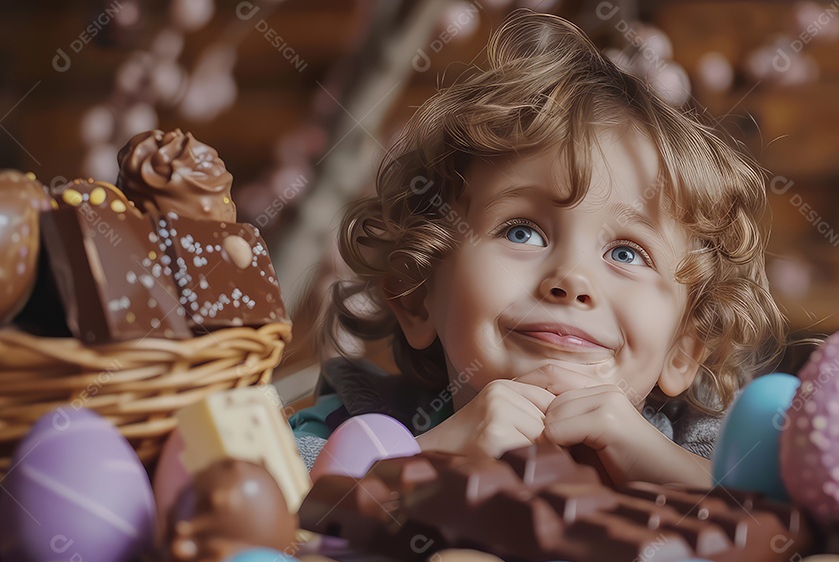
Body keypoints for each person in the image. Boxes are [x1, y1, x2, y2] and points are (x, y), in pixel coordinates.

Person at [293, 10, 785, 489]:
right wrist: (431, 457)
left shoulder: (704, 445)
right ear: (417, 295)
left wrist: (661, 466)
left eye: (627, 253)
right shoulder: (363, 418)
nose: (571, 279)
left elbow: (775, 519)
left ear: (684, 348)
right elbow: (276, 497)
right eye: (521, 232)